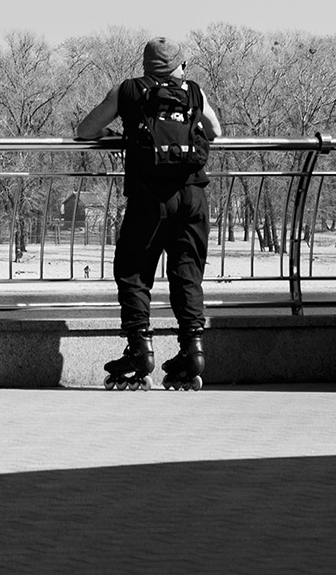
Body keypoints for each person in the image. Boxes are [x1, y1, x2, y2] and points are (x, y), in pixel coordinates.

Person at [75, 37, 224, 389]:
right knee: (187, 272)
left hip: (149, 198)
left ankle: (140, 349)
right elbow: (215, 131)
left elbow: (84, 131)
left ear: (146, 65)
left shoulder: (128, 91)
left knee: (133, 270)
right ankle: (193, 349)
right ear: (179, 65)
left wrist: (116, 135)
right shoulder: (192, 91)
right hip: (192, 194)